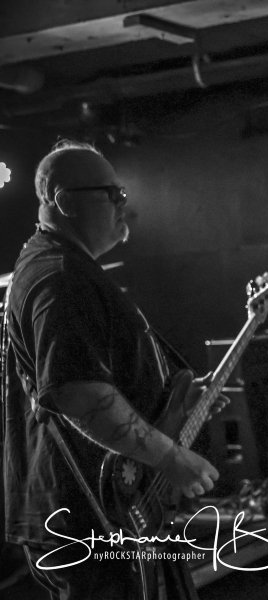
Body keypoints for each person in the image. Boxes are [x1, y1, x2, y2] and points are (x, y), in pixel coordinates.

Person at [1, 139, 221, 599]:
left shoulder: (63, 268)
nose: (124, 204)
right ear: (65, 201)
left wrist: (179, 407)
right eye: (112, 194)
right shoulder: (59, 276)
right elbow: (78, 394)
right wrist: (171, 458)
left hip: (110, 510)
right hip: (88, 518)